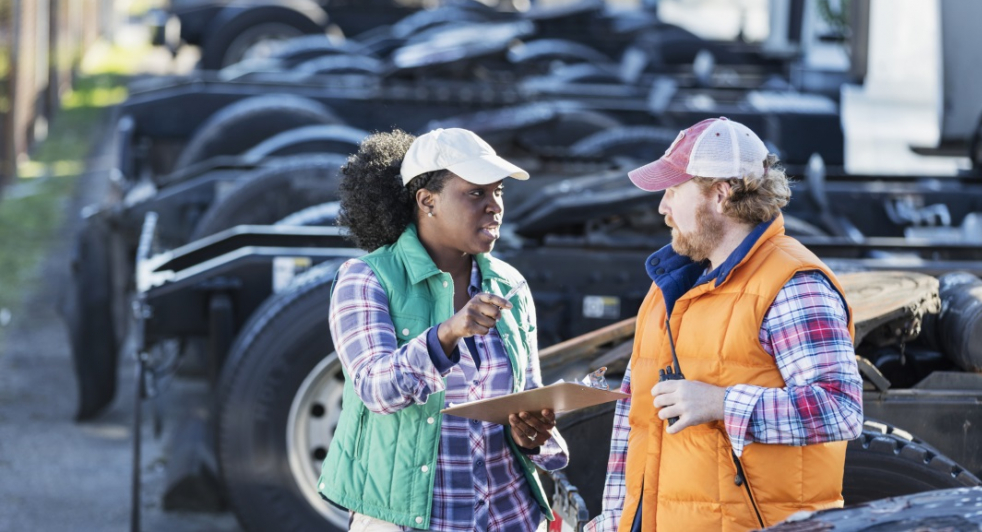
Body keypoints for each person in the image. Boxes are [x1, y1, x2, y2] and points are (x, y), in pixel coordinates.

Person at [584, 118, 864, 532]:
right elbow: (636, 423)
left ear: (720, 194)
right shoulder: (668, 290)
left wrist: (720, 404)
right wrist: (614, 523)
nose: (662, 207)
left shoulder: (793, 285)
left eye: (674, 190)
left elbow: (841, 409)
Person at [317, 128, 568, 532]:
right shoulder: (365, 279)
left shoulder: (509, 284)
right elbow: (375, 390)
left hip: (508, 518)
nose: (494, 206)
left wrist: (531, 436)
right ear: (426, 201)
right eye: (475, 193)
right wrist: (446, 334)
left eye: (498, 192)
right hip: (409, 521)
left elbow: (528, 396)